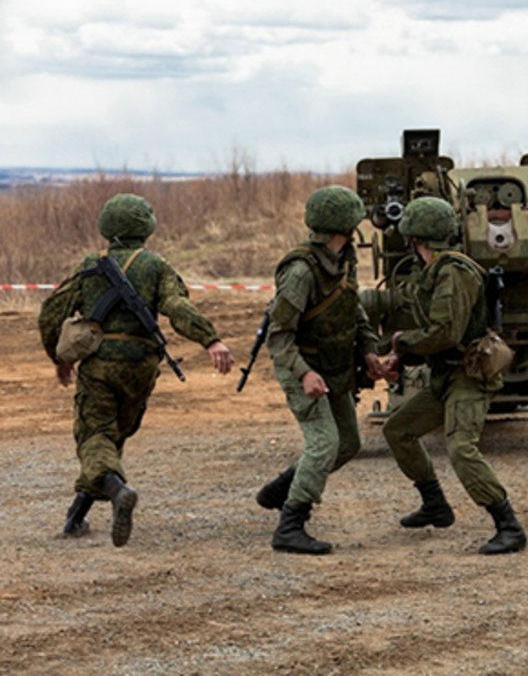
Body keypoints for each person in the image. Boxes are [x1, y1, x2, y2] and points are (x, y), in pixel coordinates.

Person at [38, 193, 234, 548]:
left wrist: (59, 358)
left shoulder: (90, 265)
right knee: (111, 439)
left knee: (94, 436)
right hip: (141, 366)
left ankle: (117, 492)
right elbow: (177, 307)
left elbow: (52, 312)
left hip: (100, 363)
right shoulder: (157, 266)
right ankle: (76, 517)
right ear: (147, 227)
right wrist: (211, 341)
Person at [380, 196, 527, 555]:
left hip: (468, 376)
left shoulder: (453, 271)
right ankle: (435, 505)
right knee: (398, 430)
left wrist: (401, 344)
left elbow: (446, 331)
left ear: (416, 238)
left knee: (461, 447)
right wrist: (407, 354)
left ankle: (509, 526)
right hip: (445, 376)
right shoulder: (439, 270)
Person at [254, 185, 383, 555]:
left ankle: (282, 490)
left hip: (334, 367)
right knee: (324, 443)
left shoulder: (343, 260)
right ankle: (290, 525)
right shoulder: (300, 272)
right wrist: (303, 373)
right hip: (302, 368)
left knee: (348, 443)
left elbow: (352, 310)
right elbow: (278, 338)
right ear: (345, 227)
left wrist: (370, 350)